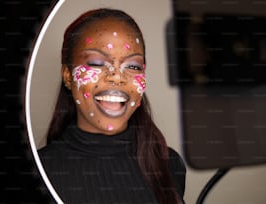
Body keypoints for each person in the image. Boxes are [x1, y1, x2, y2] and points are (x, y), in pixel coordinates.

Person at [38, 8, 186, 204]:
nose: (117, 76)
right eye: (97, 63)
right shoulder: (41, 172)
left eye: (133, 66)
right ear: (67, 76)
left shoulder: (170, 164)